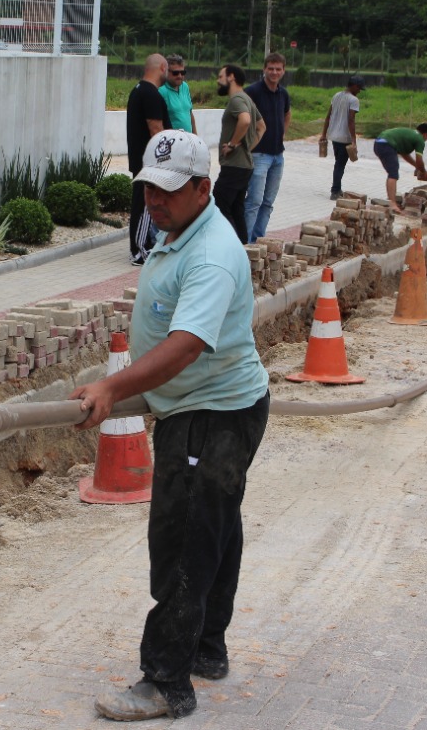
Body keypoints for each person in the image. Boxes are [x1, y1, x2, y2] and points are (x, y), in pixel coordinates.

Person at [72, 130, 270, 722]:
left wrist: (112, 385)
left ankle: (166, 682)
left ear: (203, 188)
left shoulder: (209, 253)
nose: (153, 202)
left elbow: (186, 347)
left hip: (210, 415)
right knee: (214, 532)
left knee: (183, 541)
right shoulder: (180, 232)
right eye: (147, 190)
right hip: (210, 409)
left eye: (167, 192)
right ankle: (206, 649)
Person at [126, 54, 173, 264]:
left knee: (142, 205)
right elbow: (157, 131)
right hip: (150, 164)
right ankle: (140, 250)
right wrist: (167, 160)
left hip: (142, 161)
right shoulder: (150, 94)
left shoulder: (138, 90)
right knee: (146, 205)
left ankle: (142, 247)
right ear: (162, 67)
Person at [243, 52, 292, 243]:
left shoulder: (283, 93)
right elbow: (241, 118)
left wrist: (281, 134)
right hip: (258, 155)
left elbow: (287, 114)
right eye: (270, 68)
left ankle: (258, 241)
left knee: (267, 203)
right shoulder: (252, 92)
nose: (274, 72)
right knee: (253, 201)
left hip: (277, 156)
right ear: (264, 69)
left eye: (278, 69)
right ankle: (244, 243)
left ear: (283, 71)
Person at [213, 64, 265, 241]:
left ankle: (231, 247)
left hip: (234, 166)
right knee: (236, 210)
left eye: (221, 77)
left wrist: (233, 145)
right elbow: (261, 127)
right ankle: (244, 250)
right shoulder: (247, 99)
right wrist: (247, 147)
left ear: (231, 77)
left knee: (219, 206)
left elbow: (245, 120)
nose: (218, 81)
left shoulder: (237, 100)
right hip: (244, 165)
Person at [372, 122, 427, 211]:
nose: (425, 140)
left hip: (379, 142)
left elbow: (405, 155)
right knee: (393, 174)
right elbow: (419, 160)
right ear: (425, 134)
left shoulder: (411, 134)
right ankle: (392, 204)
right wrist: (424, 172)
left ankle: (392, 202)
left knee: (393, 172)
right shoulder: (420, 139)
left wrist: (417, 167)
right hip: (387, 144)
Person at [321, 76, 363, 199]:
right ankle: (335, 191)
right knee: (340, 165)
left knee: (338, 163)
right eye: (359, 88)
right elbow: (351, 120)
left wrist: (324, 134)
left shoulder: (336, 95)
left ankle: (337, 188)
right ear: (354, 86)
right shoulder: (353, 100)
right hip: (345, 138)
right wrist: (354, 140)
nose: (359, 90)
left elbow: (328, 116)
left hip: (334, 136)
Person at [159, 54, 197, 134]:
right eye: (175, 73)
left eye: (182, 72)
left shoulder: (185, 87)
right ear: (166, 71)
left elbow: (189, 113)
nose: (180, 76)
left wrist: (195, 137)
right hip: (172, 141)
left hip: (188, 140)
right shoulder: (161, 91)